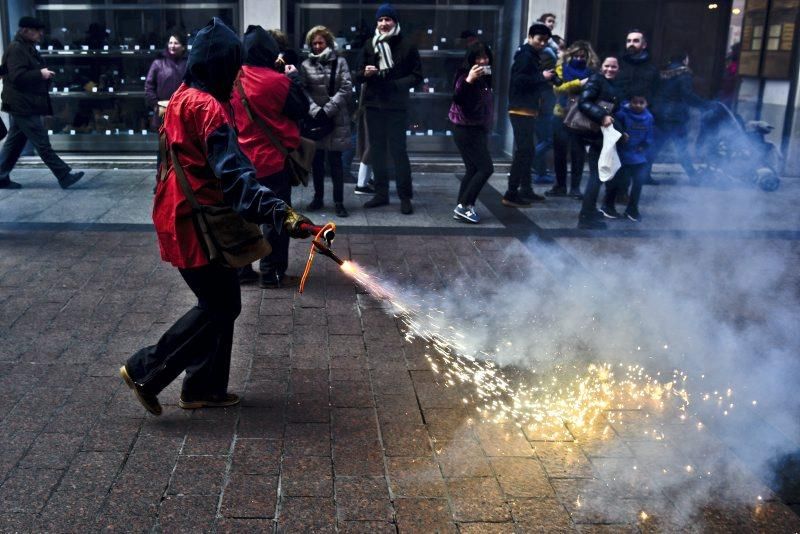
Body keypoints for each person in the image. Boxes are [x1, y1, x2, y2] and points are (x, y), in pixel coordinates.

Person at [120, 18, 313, 416]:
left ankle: (202, 387)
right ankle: (146, 368)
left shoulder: (182, 95)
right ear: (223, 65)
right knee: (220, 303)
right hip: (196, 220)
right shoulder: (208, 108)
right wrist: (283, 215)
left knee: (221, 300)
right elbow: (236, 177)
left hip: (183, 212)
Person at [230, 25, 310, 289]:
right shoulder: (278, 81)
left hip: (240, 160)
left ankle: (243, 269)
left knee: (243, 217)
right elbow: (300, 109)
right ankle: (272, 272)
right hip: (272, 161)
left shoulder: (232, 78)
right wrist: (294, 77)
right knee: (276, 218)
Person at [0, 16, 84, 190]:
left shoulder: (26, 47)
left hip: (24, 102)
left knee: (15, 142)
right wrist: (41, 74)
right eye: (37, 30)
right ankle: (63, 175)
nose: (40, 34)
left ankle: (0, 176)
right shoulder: (17, 49)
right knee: (41, 141)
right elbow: (17, 76)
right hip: (21, 104)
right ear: (25, 31)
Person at [357, 3, 423, 215]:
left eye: (388, 19)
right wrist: (364, 73)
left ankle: (405, 197)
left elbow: (417, 76)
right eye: (380, 20)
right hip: (374, 105)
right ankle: (381, 194)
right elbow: (356, 74)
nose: (384, 23)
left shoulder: (407, 45)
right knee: (377, 151)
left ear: (395, 22)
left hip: (397, 106)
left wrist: (397, 84)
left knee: (398, 152)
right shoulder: (369, 45)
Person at [300, 25, 353, 218]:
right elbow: (303, 90)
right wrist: (315, 110)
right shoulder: (306, 65)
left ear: (328, 42)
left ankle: (339, 201)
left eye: (320, 42)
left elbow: (347, 87)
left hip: (336, 119)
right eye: (313, 43)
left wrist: (328, 109)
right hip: (316, 120)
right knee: (317, 162)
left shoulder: (340, 62)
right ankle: (318, 198)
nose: (317, 46)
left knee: (336, 162)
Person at [503, 23, 554, 208]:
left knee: (527, 150)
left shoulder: (530, 54)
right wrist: (543, 77)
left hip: (526, 109)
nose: (542, 44)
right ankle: (511, 193)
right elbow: (520, 80)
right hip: (520, 109)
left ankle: (525, 189)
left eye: (545, 41)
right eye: (539, 40)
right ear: (530, 37)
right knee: (524, 151)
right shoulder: (526, 55)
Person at [575, 56, 623, 230]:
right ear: (601, 67)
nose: (610, 69)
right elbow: (584, 102)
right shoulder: (597, 79)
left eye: (614, 66)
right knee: (597, 176)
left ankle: (589, 211)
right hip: (595, 134)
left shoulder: (614, 83)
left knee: (599, 175)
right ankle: (586, 217)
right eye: (607, 66)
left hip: (603, 135)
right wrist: (601, 116)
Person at [449, 41, 494, 224]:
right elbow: (458, 99)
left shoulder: (485, 76)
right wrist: (470, 79)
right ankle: (462, 206)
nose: (483, 61)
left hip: (476, 128)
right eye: (478, 57)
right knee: (486, 168)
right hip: (466, 129)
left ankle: (465, 205)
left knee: (473, 168)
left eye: (485, 57)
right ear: (471, 59)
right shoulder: (464, 75)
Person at [546, 40, 598, 199]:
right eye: (576, 55)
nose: (579, 59)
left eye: (583, 56)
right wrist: (579, 83)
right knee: (560, 153)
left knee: (578, 153)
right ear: (570, 55)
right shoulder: (561, 69)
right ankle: (560, 185)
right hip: (561, 115)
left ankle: (575, 187)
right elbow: (558, 88)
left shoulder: (592, 72)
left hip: (581, 117)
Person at [651, 52, 706, 184]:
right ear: (684, 60)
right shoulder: (684, 73)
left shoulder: (662, 72)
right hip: (675, 116)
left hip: (660, 113)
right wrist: (704, 104)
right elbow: (687, 94)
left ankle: (644, 174)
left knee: (655, 146)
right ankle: (693, 175)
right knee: (682, 147)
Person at [601, 94, 654, 221]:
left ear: (646, 103)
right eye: (635, 102)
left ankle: (632, 209)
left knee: (638, 183)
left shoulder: (648, 117)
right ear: (630, 103)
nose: (638, 105)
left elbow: (650, 134)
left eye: (642, 102)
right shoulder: (621, 114)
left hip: (639, 156)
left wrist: (645, 145)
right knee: (617, 181)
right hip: (622, 154)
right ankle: (608, 206)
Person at [144, 29, 188, 131]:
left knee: (183, 144)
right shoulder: (158, 63)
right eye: (170, 42)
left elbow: (196, 86)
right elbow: (149, 86)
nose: (172, 46)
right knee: (165, 144)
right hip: (163, 109)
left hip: (184, 109)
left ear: (183, 47)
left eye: (176, 43)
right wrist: (156, 105)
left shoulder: (189, 63)